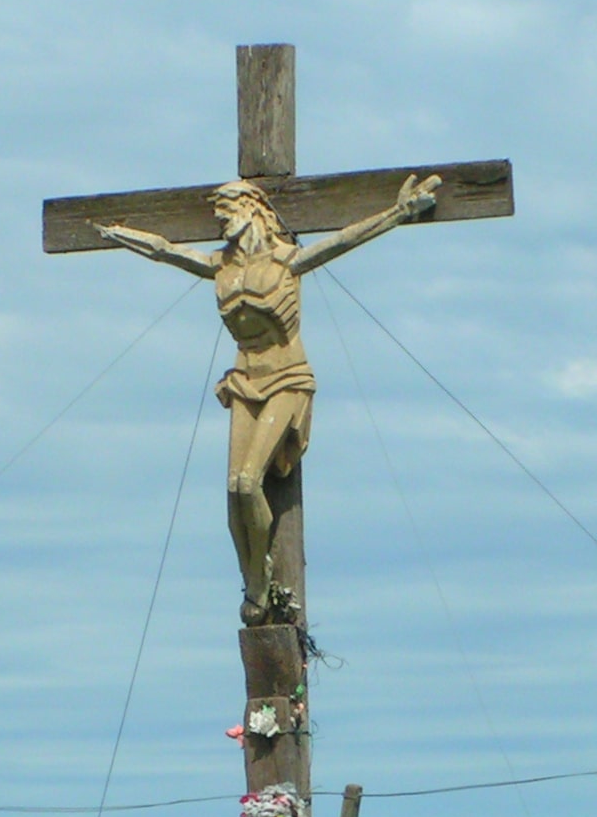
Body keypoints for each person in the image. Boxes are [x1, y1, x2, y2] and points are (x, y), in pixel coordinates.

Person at [98, 172, 441, 622]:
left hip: (286, 377)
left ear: (253, 210)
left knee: (248, 480)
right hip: (244, 380)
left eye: (229, 212)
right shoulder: (221, 266)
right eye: (219, 216)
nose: (223, 222)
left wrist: (399, 213)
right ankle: (255, 578)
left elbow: (342, 241)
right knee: (233, 491)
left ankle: (259, 585)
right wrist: (118, 234)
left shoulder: (286, 260)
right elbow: (166, 251)